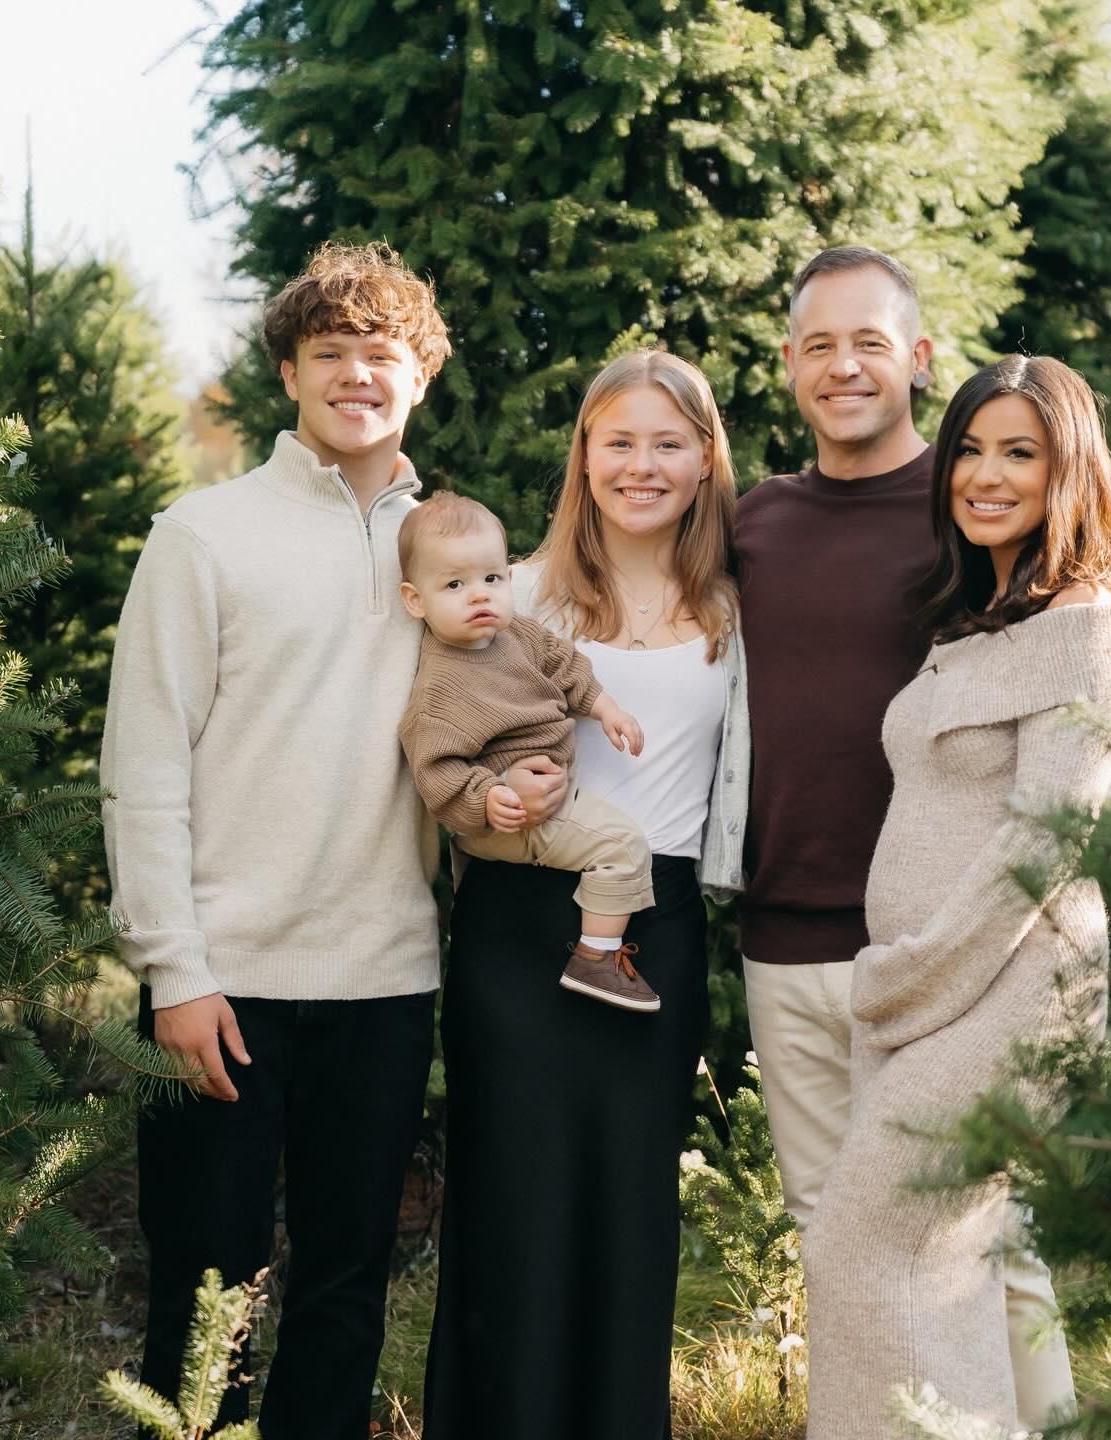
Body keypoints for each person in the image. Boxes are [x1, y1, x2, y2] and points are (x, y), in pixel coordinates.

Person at [101, 242, 562, 1438]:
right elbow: (143, 765)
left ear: (419, 376)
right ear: (292, 374)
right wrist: (175, 971)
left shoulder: (453, 552)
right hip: (226, 982)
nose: (358, 375)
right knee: (208, 1297)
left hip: (386, 977)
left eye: (383, 355)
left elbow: (506, 705)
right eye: (331, 355)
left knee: (348, 1290)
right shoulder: (202, 536)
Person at [736, 245, 1078, 1425]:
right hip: (788, 941)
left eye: (870, 341)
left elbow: (1068, 659)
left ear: (919, 359)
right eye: (819, 344)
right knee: (832, 1237)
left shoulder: (970, 509)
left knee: (981, 1242)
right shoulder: (754, 525)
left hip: (948, 958)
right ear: (789, 365)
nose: (844, 366)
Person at [802, 355, 1111, 1436]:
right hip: (928, 991)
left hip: (1004, 988)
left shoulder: (1094, 634)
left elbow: (1040, 844)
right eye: (969, 449)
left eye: (1021, 452)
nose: (986, 475)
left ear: (1071, 471)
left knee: (871, 1245)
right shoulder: (980, 620)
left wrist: (911, 975)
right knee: (945, 1269)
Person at [421, 348, 749, 1440]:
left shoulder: (740, 610)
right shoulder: (512, 594)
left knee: (625, 1219)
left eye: (668, 443)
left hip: (651, 934)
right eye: (619, 442)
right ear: (585, 456)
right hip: (516, 927)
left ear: (705, 460)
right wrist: (489, 793)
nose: (641, 465)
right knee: (512, 1210)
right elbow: (431, 746)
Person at [396, 491, 661, 1010]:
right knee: (622, 847)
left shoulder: (518, 634)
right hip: (513, 816)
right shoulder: (440, 689)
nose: (479, 596)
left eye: (491, 579)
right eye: (454, 585)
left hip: (535, 805)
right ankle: (597, 958)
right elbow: (436, 772)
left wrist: (608, 710)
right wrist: (491, 798)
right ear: (415, 600)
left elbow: (568, 670)